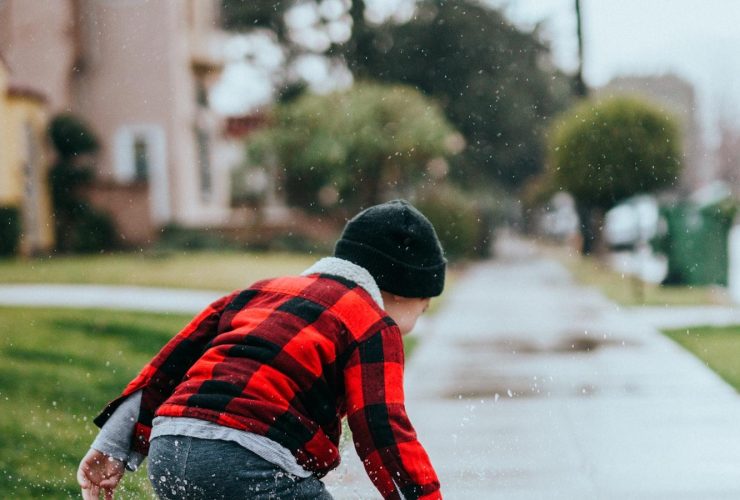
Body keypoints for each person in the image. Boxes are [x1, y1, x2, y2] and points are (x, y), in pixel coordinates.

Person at [77, 200, 446, 499]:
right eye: (423, 307)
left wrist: (113, 443)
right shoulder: (372, 324)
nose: (416, 322)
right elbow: (383, 432)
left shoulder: (259, 291)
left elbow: (169, 366)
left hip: (169, 450)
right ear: (401, 291)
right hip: (247, 463)